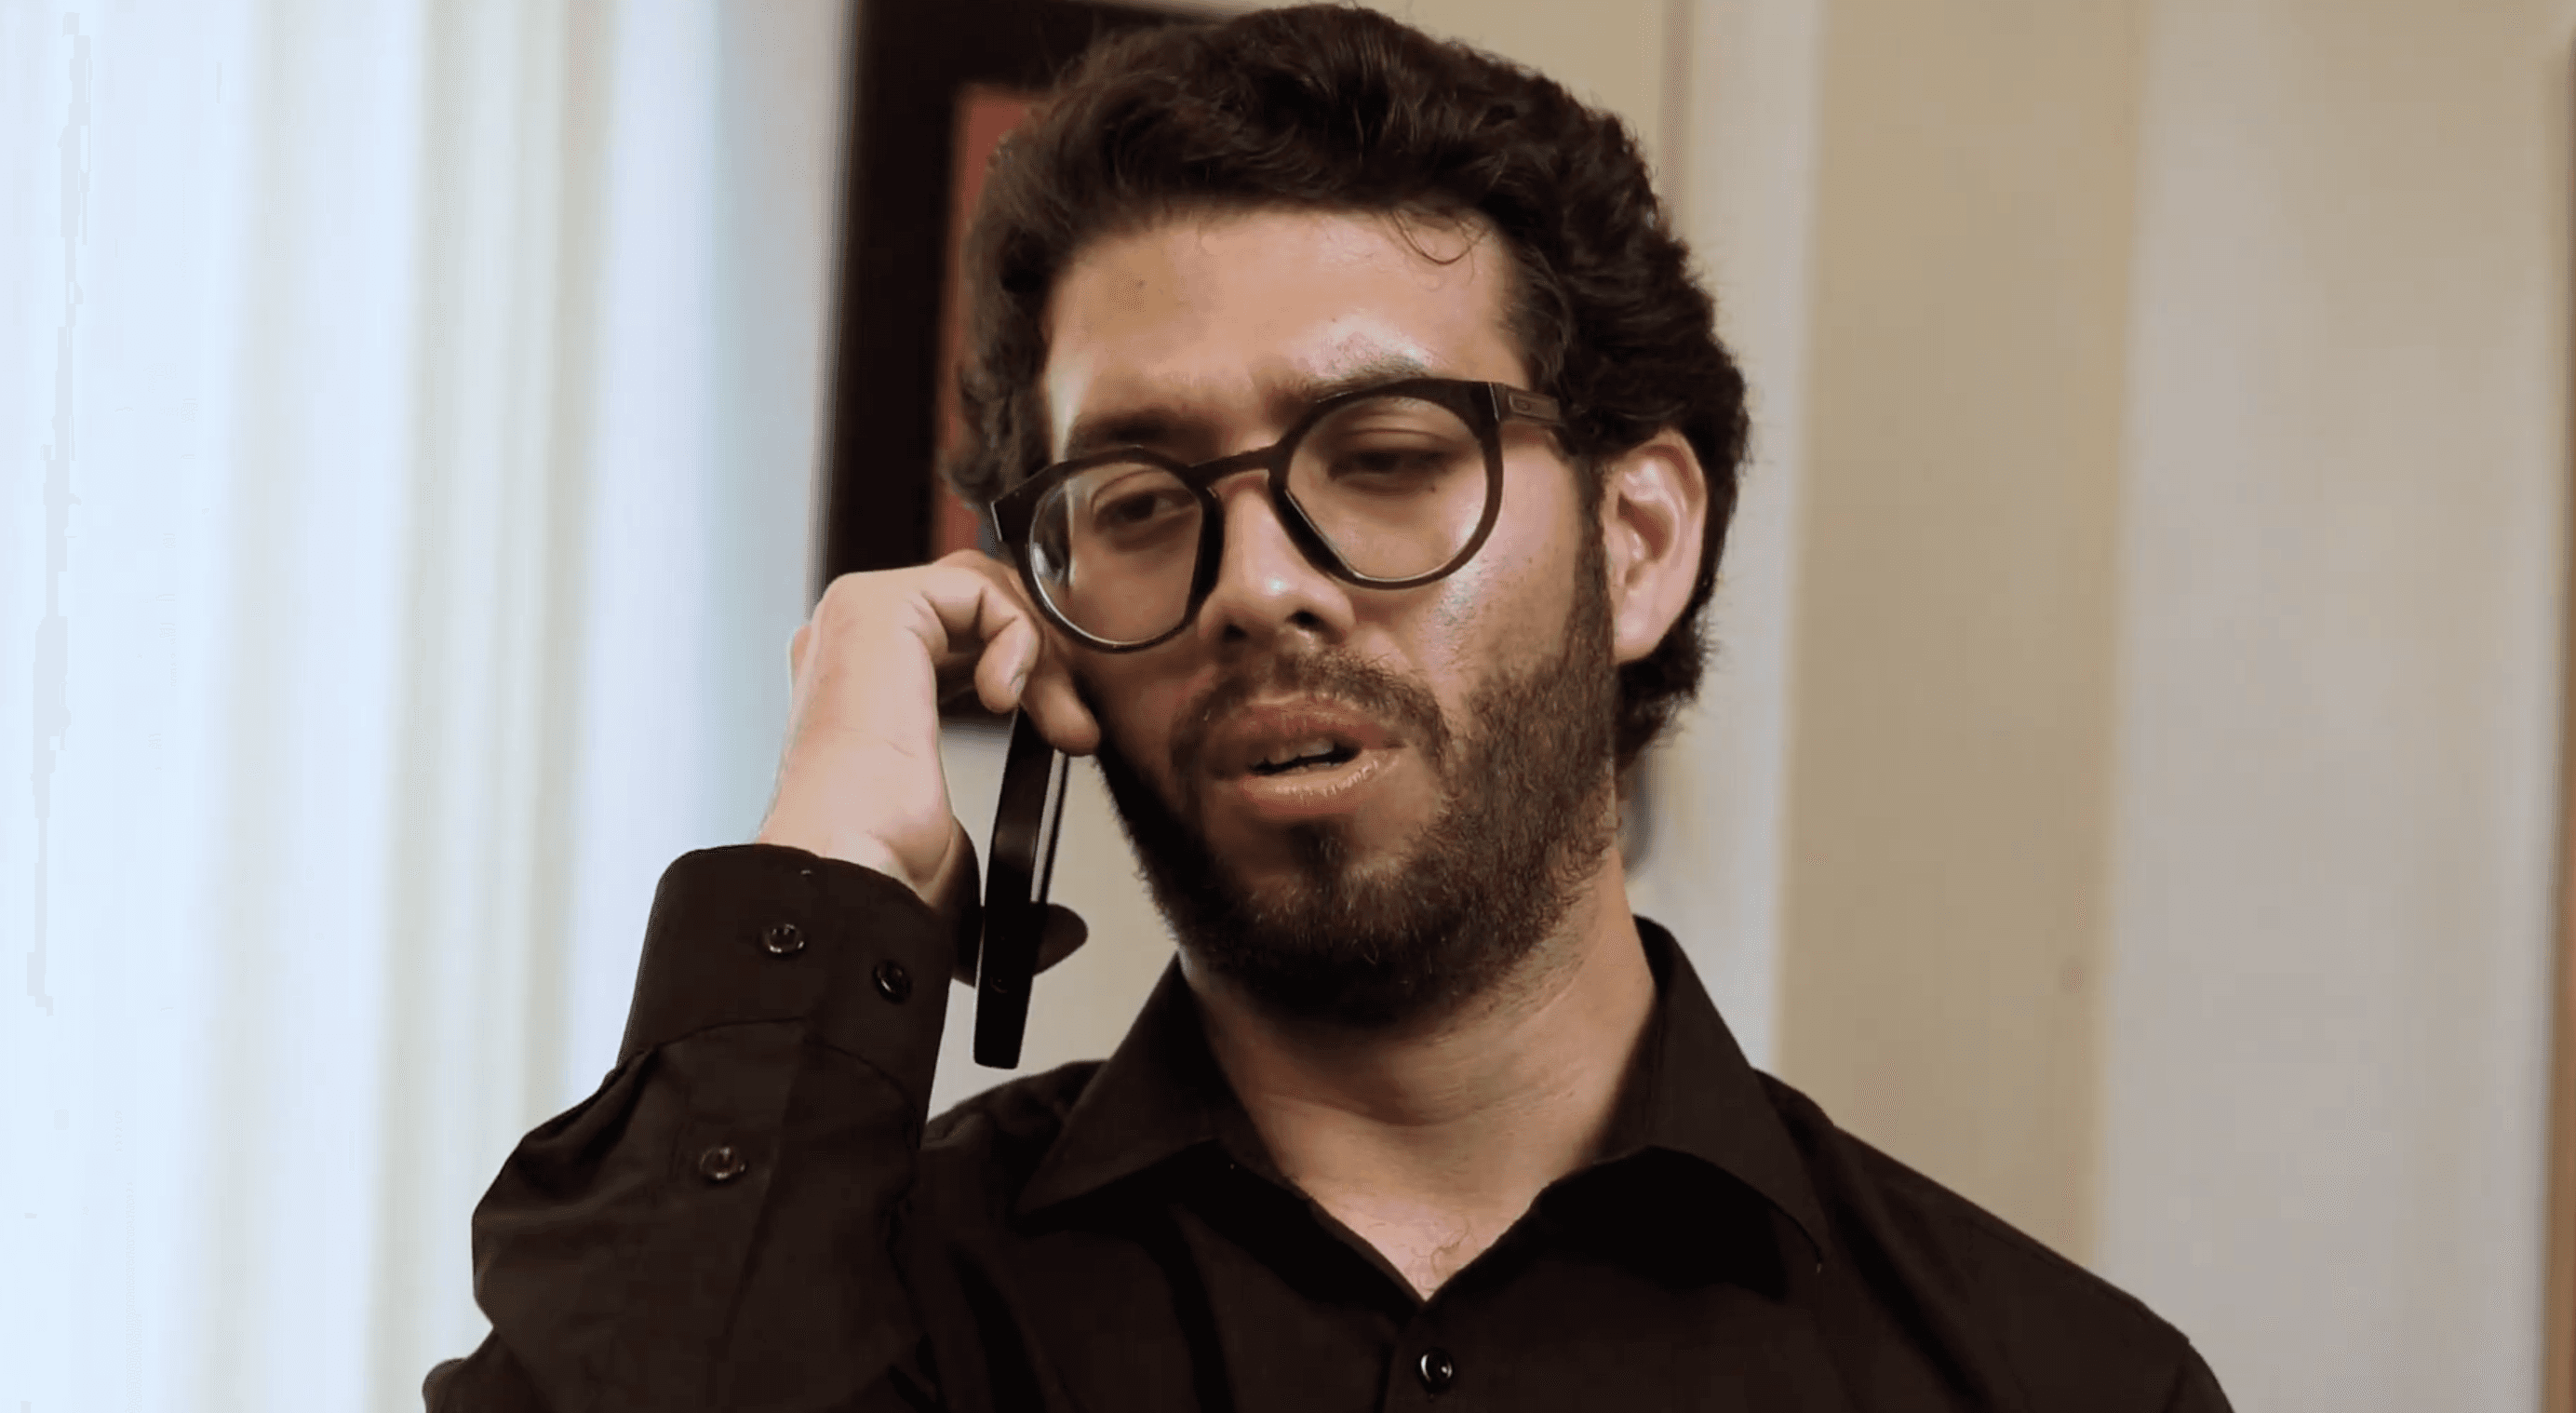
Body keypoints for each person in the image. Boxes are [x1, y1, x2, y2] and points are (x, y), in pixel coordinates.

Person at [425, 7, 2234, 1409]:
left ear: (1642, 539)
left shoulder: (2046, 1383)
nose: (1260, 579)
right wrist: (821, 875)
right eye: (1136, 501)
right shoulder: (849, 1312)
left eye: (1379, 458)